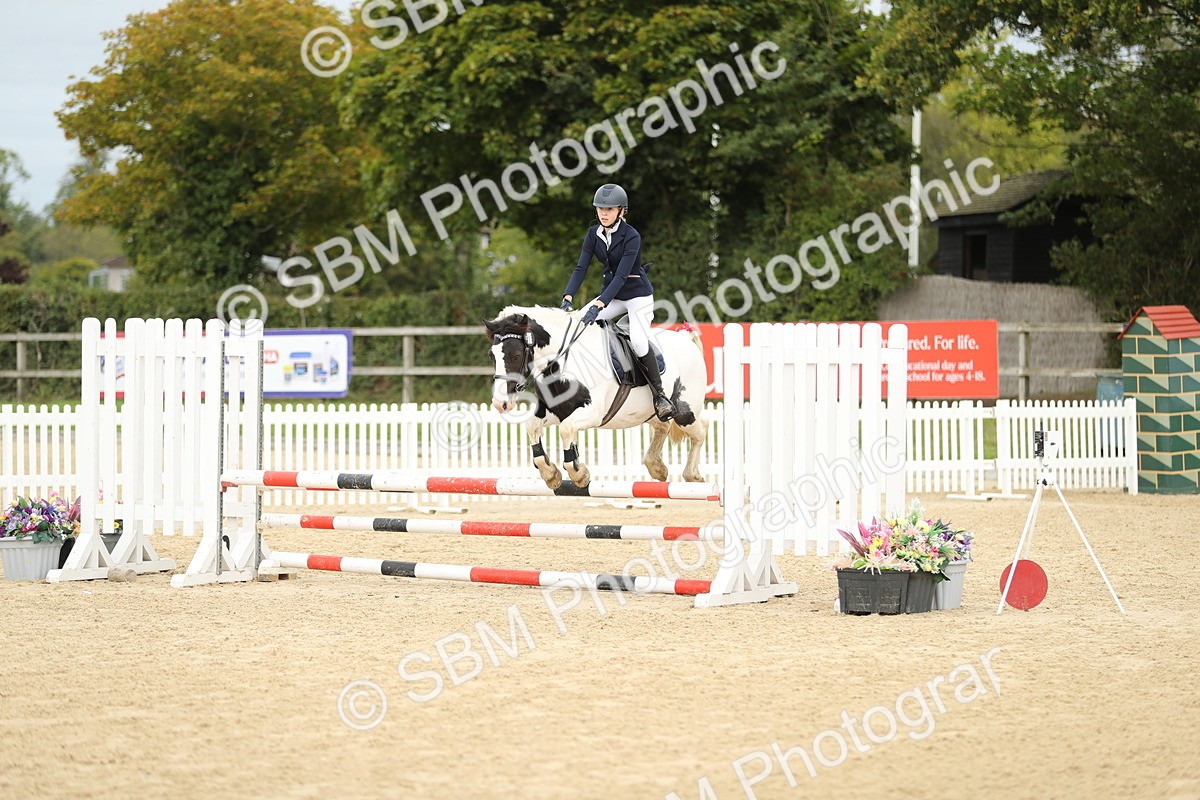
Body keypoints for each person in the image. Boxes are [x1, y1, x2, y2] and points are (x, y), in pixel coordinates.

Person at [561, 183, 675, 421]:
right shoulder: (593, 234)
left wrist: (599, 305)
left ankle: (661, 396)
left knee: (639, 342)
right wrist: (568, 297)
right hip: (612, 296)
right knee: (577, 325)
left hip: (637, 297)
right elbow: (581, 267)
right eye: (600, 208)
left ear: (622, 211)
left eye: (610, 209)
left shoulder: (632, 236)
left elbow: (622, 276)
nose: (603, 213)